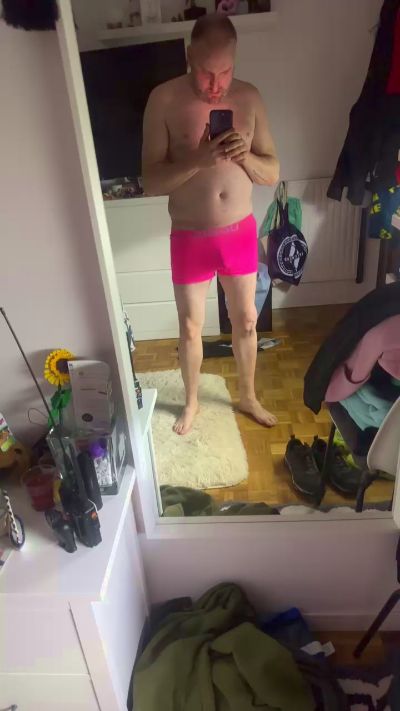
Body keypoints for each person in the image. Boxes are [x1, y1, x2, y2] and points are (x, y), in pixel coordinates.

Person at [142, 13, 279, 435]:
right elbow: (151, 181)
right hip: (189, 235)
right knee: (189, 328)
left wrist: (244, 156)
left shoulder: (250, 97)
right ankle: (192, 402)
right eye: (206, 72)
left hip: (239, 233)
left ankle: (248, 396)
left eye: (226, 72)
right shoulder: (163, 99)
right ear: (189, 56)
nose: (216, 85)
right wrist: (199, 159)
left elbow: (272, 172)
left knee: (248, 320)